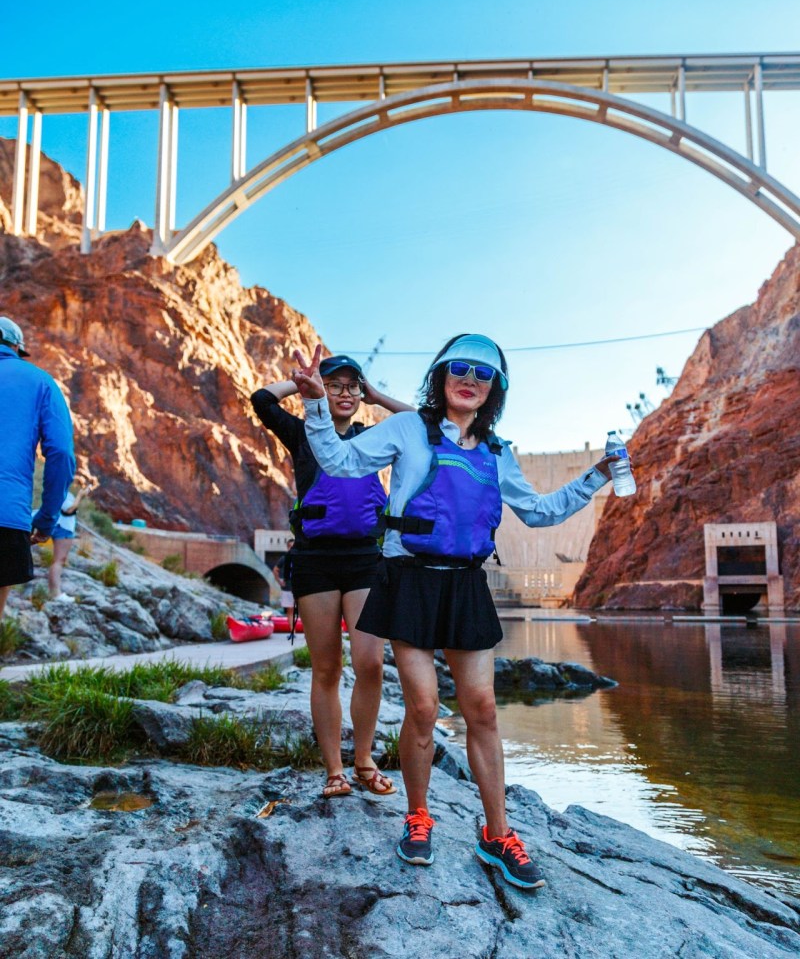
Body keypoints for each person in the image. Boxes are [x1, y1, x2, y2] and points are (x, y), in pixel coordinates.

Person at [291, 334, 619, 890]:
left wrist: (598, 476)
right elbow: (340, 463)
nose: (470, 379)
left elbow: (538, 514)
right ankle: (418, 818)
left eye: (483, 374)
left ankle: (497, 835)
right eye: (459, 368)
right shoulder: (405, 429)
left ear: (495, 390)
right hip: (409, 581)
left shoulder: (496, 452)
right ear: (441, 376)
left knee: (484, 710)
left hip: (466, 585)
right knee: (422, 707)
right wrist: (317, 405)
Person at [251, 355, 415, 799]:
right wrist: (300, 385)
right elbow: (261, 401)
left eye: (352, 386)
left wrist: (377, 397)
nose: (344, 392)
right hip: (315, 561)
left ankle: (364, 760)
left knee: (369, 665)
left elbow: (423, 424)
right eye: (334, 384)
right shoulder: (303, 433)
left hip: (366, 559)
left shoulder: (372, 438)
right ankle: (335, 771)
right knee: (326, 669)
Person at [0, 317, 75, 622]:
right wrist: (46, 519)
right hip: (5, 514)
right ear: (17, 348)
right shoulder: (41, 382)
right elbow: (60, 453)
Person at [36, 483, 90, 601]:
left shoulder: (57, 490)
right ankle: (55, 594)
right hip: (63, 528)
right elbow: (69, 510)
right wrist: (80, 496)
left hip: (59, 526)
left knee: (58, 561)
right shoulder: (61, 491)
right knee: (59, 561)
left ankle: (54, 592)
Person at [273, 539, 295, 618]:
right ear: (288, 548)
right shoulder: (284, 558)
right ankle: (293, 630)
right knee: (290, 610)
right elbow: (275, 570)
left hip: (299, 587)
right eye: (290, 547)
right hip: (287, 588)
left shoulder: (300, 558)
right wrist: (279, 582)